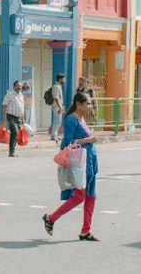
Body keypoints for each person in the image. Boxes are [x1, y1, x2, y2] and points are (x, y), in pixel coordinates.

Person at [42, 91, 99, 241]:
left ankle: (86, 230)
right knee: (80, 196)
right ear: (78, 104)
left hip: (90, 163)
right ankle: (51, 218)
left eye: (90, 103)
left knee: (91, 196)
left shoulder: (82, 119)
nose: (90, 106)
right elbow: (68, 143)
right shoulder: (71, 120)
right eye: (87, 103)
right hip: (80, 165)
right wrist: (87, 140)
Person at [1, 81, 25, 157]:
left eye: (20, 86)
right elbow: (4, 105)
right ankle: (11, 152)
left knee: (15, 134)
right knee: (14, 132)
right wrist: (4, 116)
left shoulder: (21, 95)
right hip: (11, 117)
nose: (19, 88)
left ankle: (12, 150)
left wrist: (23, 117)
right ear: (14, 86)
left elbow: (22, 107)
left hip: (19, 118)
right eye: (18, 86)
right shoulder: (9, 95)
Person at [50, 73, 65, 141]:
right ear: (60, 79)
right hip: (57, 106)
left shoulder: (59, 86)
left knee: (58, 121)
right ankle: (53, 135)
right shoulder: (56, 86)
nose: (64, 80)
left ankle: (55, 135)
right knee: (57, 121)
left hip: (59, 106)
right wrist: (60, 107)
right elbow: (56, 97)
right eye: (63, 79)